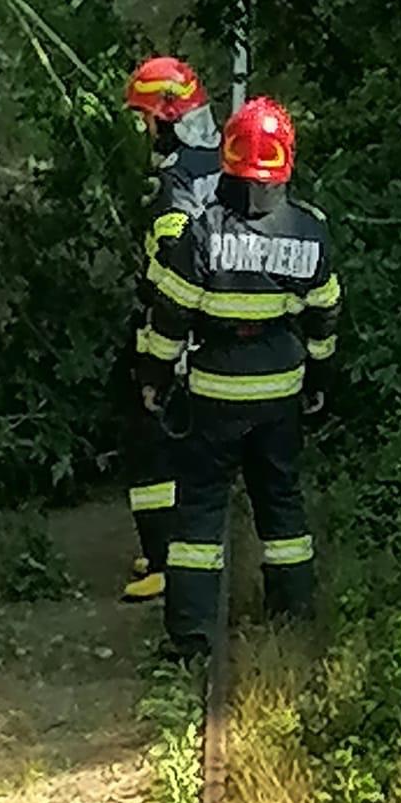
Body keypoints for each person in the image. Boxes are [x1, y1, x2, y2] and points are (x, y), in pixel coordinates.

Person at [138, 95, 340, 658]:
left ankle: (191, 635)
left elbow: (171, 315)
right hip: (282, 390)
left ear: (228, 158)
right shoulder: (309, 231)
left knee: (200, 509)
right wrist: (321, 378)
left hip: (215, 393)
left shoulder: (203, 234)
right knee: (282, 503)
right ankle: (293, 618)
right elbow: (325, 313)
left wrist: (154, 377)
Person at [121, 57, 220, 602]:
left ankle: (164, 560)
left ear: (165, 120)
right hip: (220, 328)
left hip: (176, 329)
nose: (144, 132)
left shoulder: (175, 182)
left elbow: (172, 263)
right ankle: (175, 552)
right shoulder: (222, 162)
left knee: (151, 445)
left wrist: (161, 338)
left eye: (146, 120)